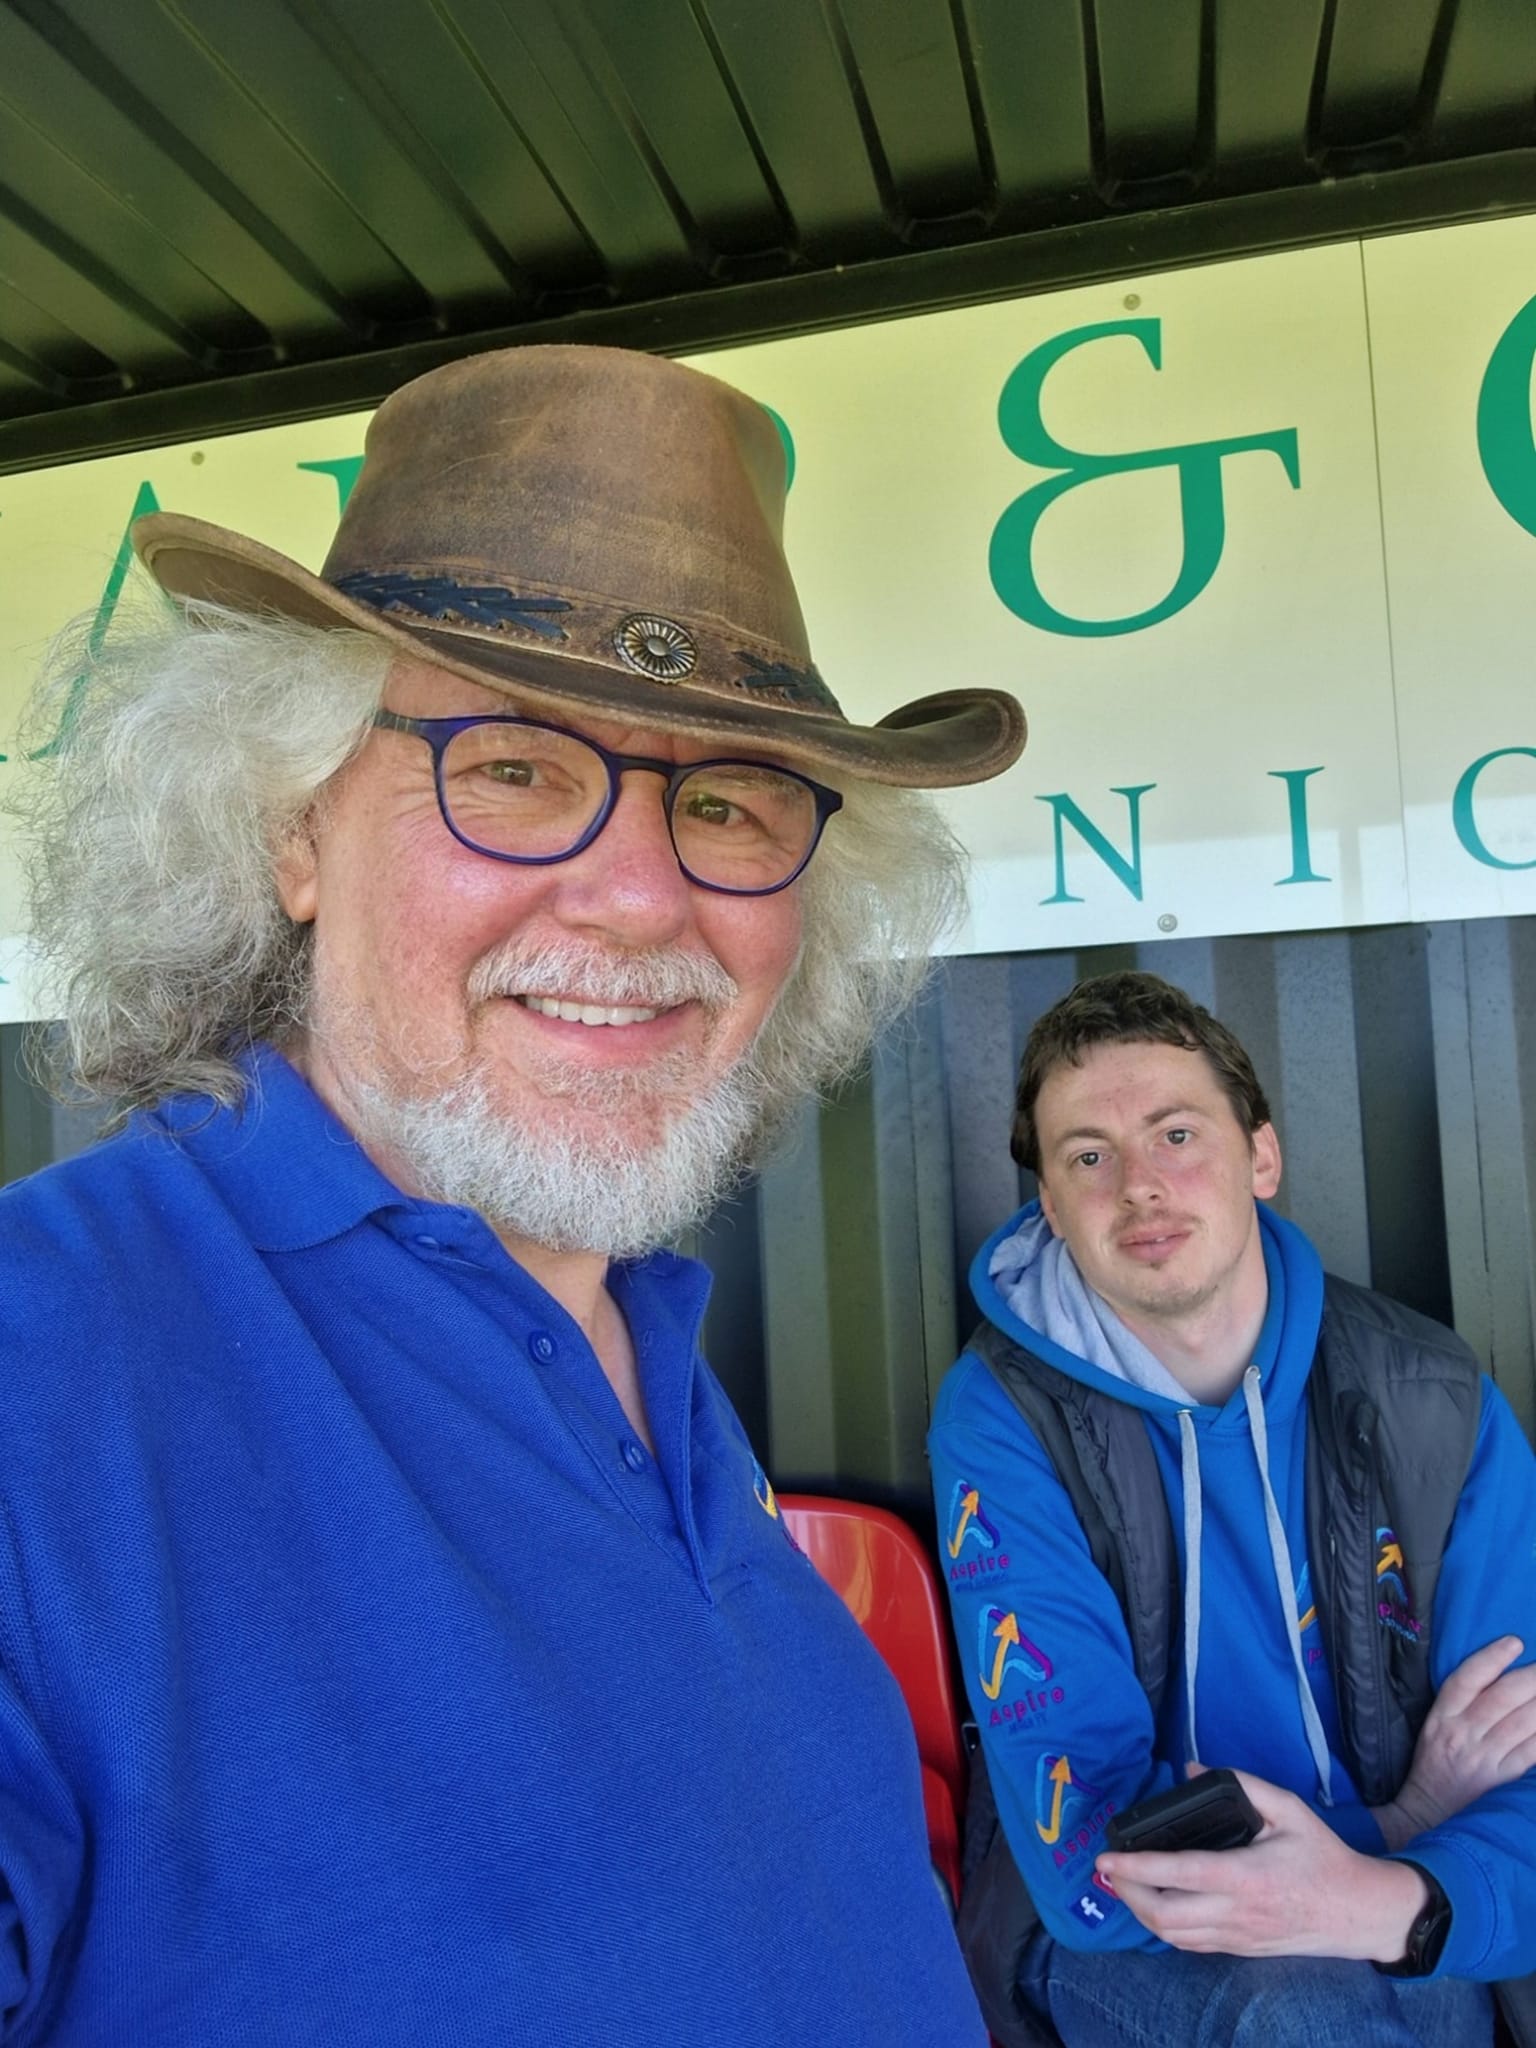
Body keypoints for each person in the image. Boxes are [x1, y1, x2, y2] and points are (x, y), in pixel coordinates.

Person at [0, 345, 1026, 2045]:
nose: (641, 896)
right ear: (296, 830)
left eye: (727, 799)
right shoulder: (44, 1364)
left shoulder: (652, 1358)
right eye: (513, 767)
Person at [930, 970, 1536, 2048]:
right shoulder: (1003, 1418)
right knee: (1308, 2016)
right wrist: (1398, 1821)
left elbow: (1521, 1751)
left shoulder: (1430, 1396)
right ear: (1051, 1207)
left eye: (1176, 1135)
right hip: (1121, 1941)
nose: (1139, 1187)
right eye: (1088, 1157)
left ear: (1261, 1156)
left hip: (1411, 1893)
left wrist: (1384, 1895)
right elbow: (1091, 1853)